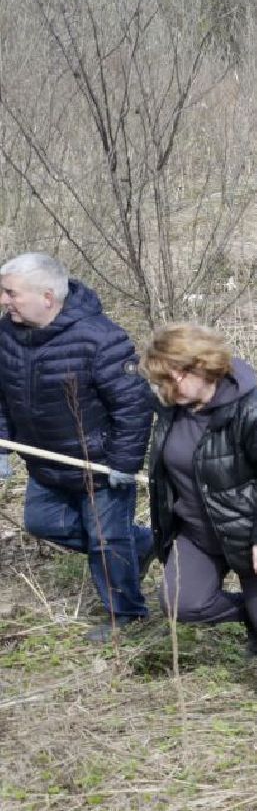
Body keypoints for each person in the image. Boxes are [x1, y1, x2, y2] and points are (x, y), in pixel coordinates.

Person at [141, 325, 257, 725]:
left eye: (174, 377)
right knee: (180, 603)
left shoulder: (255, 408)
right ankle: (251, 615)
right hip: (198, 533)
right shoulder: (171, 411)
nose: (168, 389)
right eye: (161, 381)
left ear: (202, 366)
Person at [0, 252, 154, 643]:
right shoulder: (7, 334)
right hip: (45, 462)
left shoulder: (101, 339)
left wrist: (123, 462)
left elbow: (133, 406)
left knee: (106, 540)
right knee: (42, 523)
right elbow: (3, 396)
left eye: (11, 293)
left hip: (99, 465)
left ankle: (127, 616)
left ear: (47, 297)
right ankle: (142, 542)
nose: (4, 301)